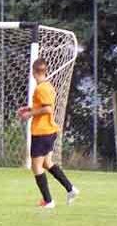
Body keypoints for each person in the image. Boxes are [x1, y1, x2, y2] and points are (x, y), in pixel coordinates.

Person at [17, 58, 79, 208]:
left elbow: (48, 109)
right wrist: (29, 109)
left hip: (42, 132)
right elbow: (43, 106)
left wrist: (30, 114)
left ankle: (48, 201)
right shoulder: (48, 86)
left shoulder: (41, 88)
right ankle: (70, 189)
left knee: (36, 166)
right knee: (46, 163)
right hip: (48, 131)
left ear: (33, 72)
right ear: (45, 71)